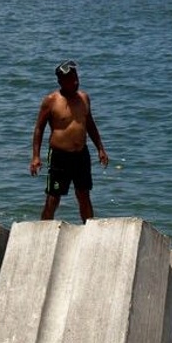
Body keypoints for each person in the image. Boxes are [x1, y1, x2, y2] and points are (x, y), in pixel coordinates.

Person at [29, 60, 110, 223]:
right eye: (70, 80)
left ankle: (89, 230)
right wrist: (36, 157)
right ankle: (43, 229)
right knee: (53, 198)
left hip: (81, 155)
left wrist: (100, 149)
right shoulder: (51, 101)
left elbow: (90, 124)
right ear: (60, 82)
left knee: (84, 196)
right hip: (59, 156)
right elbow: (39, 129)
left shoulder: (84, 98)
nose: (75, 82)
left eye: (76, 78)